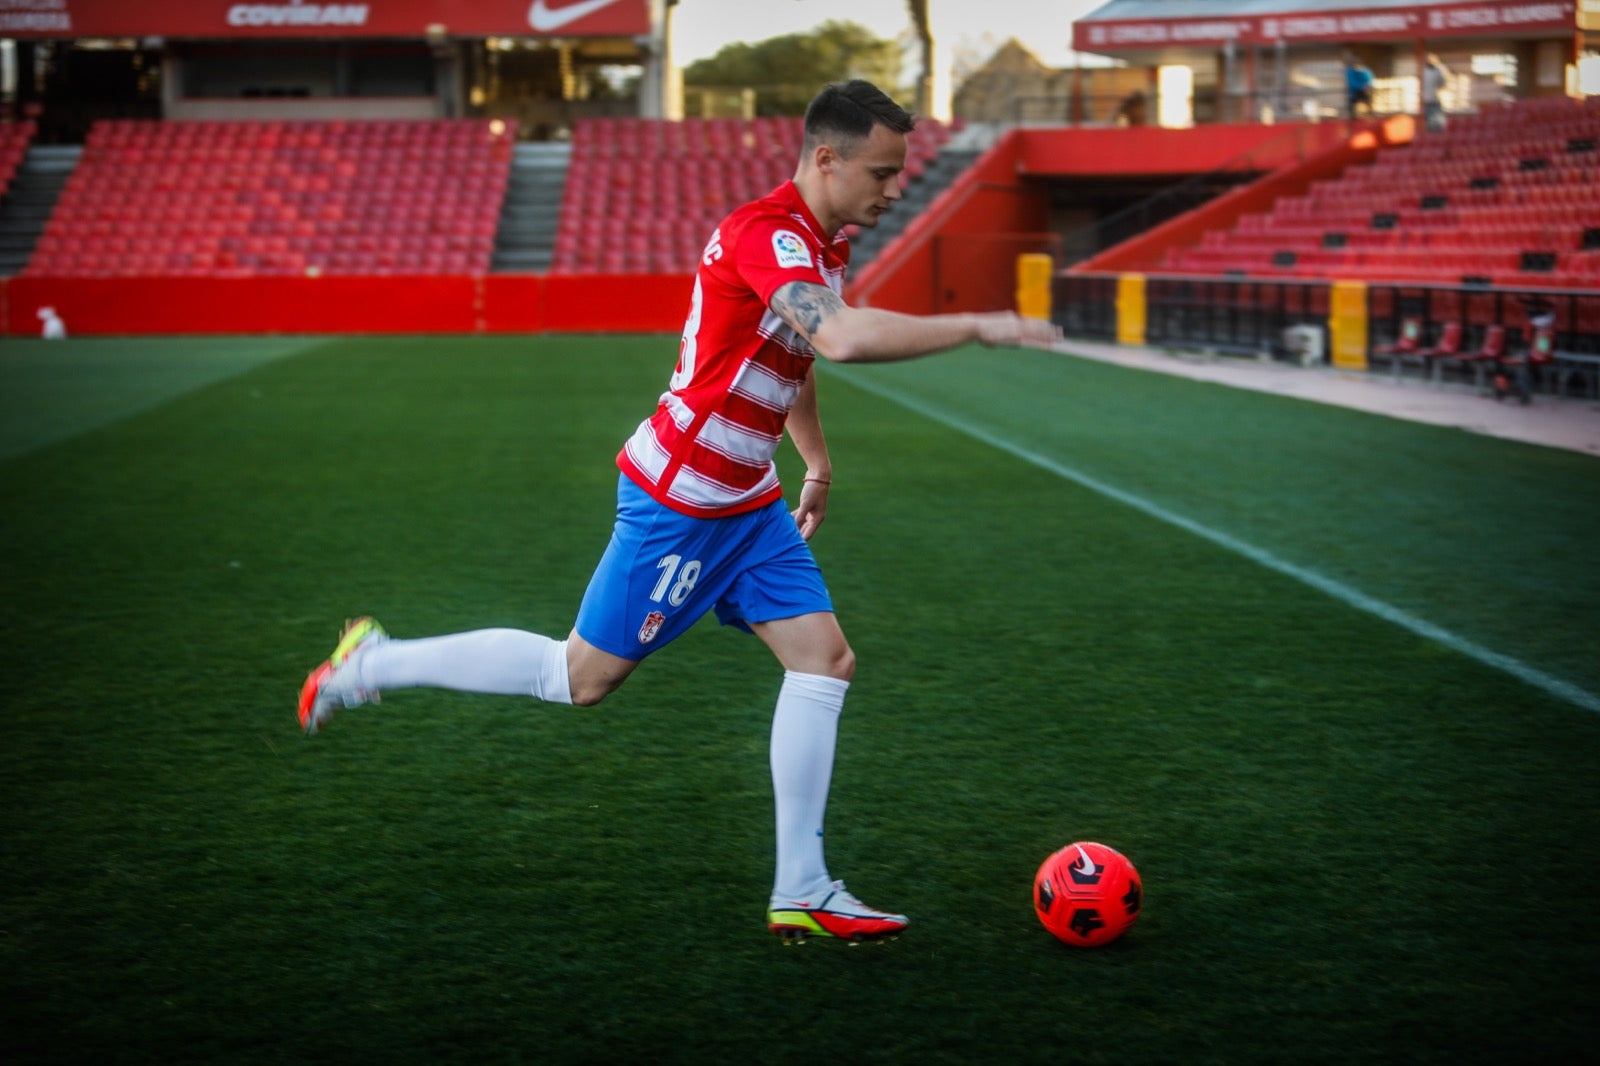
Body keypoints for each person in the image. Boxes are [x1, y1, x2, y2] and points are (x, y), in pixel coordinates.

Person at [297, 79, 1062, 943]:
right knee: (579, 679)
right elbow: (840, 337)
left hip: (750, 497)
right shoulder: (763, 233)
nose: (894, 189)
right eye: (882, 172)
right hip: (684, 499)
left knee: (824, 660)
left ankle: (802, 887)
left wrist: (813, 458)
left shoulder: (823, 242)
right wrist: (980, 325)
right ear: (825, 159)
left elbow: (799, 351)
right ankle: (372, 665)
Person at [1422, 53, 1449, 133]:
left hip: (1436, 99)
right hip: (1426, 100)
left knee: (1437, 121)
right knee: (1429, 122)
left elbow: (1443, 83)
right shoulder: (1424, 71)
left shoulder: (1439, 70)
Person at [1344, 53, 1374, 119]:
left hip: (1364, 95)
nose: (1357, 67)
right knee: (1354, 114)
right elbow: (1351, 83)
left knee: (1366, 106)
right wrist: (1362, 86)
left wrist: (1367, 87)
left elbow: (1370, 81)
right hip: (1354, 95)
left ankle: (1367, 114)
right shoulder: (1350, 72)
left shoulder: (1366, 71)